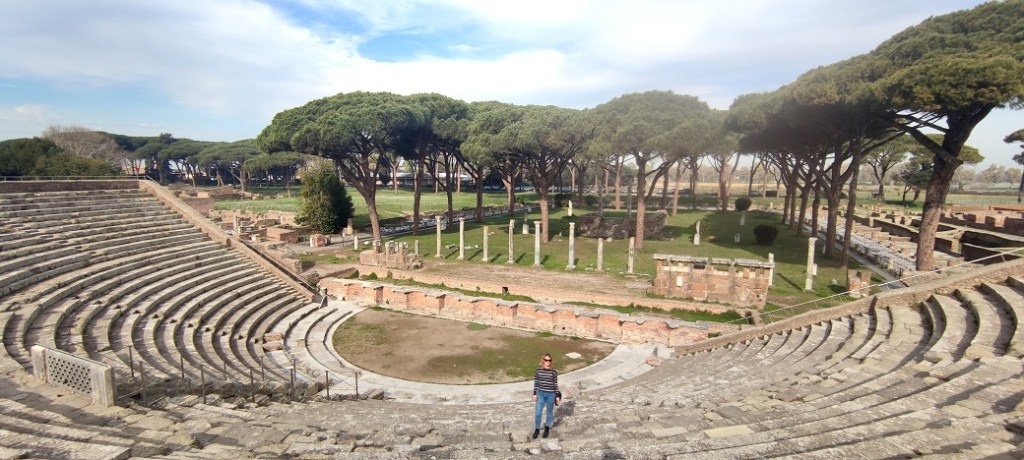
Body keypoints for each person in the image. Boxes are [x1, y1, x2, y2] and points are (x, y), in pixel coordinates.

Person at [531, 353, 559, 439]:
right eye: (546, 360)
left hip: (551, 394)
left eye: (549, 360)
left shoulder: (553, 372)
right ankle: (537, 429)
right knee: (538, 413)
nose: (548, 362)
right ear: (543, 360)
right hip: (541, 394)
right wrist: (535, 394)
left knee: (549, 412)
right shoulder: (538, 370)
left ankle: (547, 428)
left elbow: (555, 384)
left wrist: (557, 396)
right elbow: (536, 383)